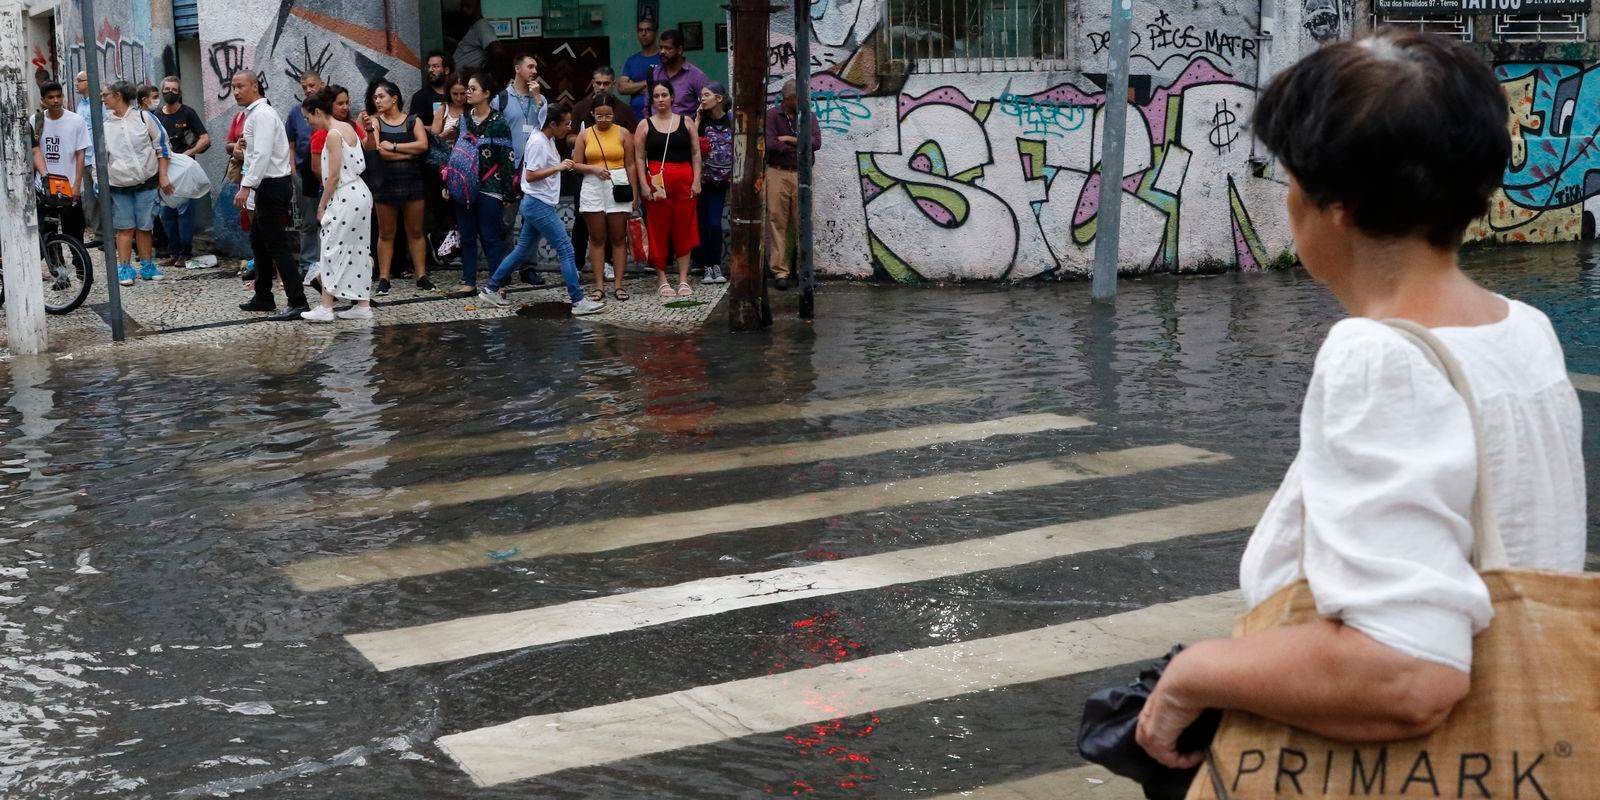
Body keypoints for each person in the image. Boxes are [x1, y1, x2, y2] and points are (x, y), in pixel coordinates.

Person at [1133, 33, 1587, 771]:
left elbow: (1407, 674)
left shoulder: (1376, 355)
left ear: (1333, 204)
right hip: (1526, 751)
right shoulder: (1522, 330)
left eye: (1287, 178)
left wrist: (1194, 674)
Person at [482, 104, 604, 317]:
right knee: (566, 250)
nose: (569, 127)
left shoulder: (547, 139)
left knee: (521, 250)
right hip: (537, 204)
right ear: (552, 124)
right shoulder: (539, 141)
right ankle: (578, 301)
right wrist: (558, 167)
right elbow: (530, 175)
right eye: (565, 123)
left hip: (538, 203)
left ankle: (491, 288)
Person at [233, 70, 310, 320]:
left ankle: (298, 301)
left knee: (277, 246)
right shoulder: (254, 114)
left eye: (240, 86)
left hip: (273, 185)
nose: (236, 91)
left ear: (255, 87)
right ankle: (263, 295)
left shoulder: (262, 115)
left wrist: (246, 186)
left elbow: (262, 155)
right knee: (258, 241)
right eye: (233, 87)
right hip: (266, 186)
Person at [299, 89, 375, 323]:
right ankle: (362, 305)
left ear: (318, 111)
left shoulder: (333, 134)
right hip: (360, 194)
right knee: (358, 249)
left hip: (345, 195)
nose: (308, 122)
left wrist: (321, 206)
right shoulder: (348, 127)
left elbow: (332, 176)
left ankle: (326, 307)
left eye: (308, 117)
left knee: (331, 249)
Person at [358, 79, 433, 294]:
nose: (377, 100)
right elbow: (378, 151)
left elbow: (423, 145)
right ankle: (384, 278)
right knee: (386, 232)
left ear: (395, 98)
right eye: (375, 97)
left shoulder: (412, 120)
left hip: (413, 180)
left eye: (381, 96)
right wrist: (407, 152)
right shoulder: (376, 122)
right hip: (386, 181)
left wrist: (395, 146)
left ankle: (421, 275)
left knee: (415, 231)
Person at [567, 66, 639, 283]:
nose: (601, 87)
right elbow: (570, 142)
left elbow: (632, 159)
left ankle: (615, 278)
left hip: (617, 180)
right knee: (588, 227)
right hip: (589, 181)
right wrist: (584, 141)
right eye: (598, 83)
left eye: (606, 83)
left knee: (617, 234)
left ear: (613, 84)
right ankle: (580, 265)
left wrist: (635, 192)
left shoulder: (624, 114)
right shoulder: (580, 108)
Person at [101, 81, 173, 287]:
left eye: (106, 95)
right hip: (118, 184)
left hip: (146, 182)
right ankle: (124, 267)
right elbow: (99, 157)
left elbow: (162, 145)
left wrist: (163, 175)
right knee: (124, 228)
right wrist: (100, 183)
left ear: (117, 95)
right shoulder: (105, 125)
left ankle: (147, 265)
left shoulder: (144, 117)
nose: (103, 98)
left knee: (145, 226)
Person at [450, 72, 515, 294]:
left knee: (490, 237)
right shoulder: (463, 120)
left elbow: (507, 159)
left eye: (473, 89)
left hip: (490, 188)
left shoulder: (499, 123)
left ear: (486, 93)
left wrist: (508, 193)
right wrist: (449, 182)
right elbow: (456, 154)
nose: (468, 93)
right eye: (468, 88)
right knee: (467, 236)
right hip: (464, 187)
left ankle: (496, 284)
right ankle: (469, 281)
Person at [634, 81, 701, 298]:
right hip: (656, 183)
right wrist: (644, 185)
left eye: (664, 95)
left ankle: (683, 279)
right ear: (652, 100)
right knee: (658, 229)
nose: (661, 99)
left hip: (684, 181)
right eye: (656, 95)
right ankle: (662, 279)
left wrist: (697, 180)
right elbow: (639, 156)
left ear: (672, 97)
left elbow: (695, 153)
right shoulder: (644, 125)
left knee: (685, 227)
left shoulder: (687, 122)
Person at [493, 53, 549, 286]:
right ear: (517, 68)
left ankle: (529, 268)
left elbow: (546, 126)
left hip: (533, 168)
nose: (534, 71)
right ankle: (505, 268)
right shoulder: (501, 99)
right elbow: (493, 132)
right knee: (505, 221)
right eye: (530, 66)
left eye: (536, 67)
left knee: (532, 220)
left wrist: (537, 99)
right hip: (509, 167)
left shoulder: (540, 99)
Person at [765, 80, 821, 291]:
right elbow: (771, 144)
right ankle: (780, 271)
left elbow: (815, 143)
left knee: (803, 222)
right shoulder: (772, 116)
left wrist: (789, 139)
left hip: (802, 174)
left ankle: (804, 270)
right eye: (794, 99)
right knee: (778, 220)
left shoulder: (808, 116)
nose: (799, 102)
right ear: (786, 99)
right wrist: (800, 146)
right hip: (778, 172)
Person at [154, 76, 211, 269]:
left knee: (184, 212)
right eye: (167, 89)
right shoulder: (155, 115)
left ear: (180, 92)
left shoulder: (188, 113)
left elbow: (204, 138)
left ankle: (185, 254)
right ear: (162, 91)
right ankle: (173, 252)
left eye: (174, 89)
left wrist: (189, 153)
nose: (170, 92)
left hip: (184, 172)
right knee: (166, 213)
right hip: (164, 171)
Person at [29, 81, 89, 243]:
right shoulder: (36, 120)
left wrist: (76, 185)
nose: (55, 100)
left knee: (74, 232)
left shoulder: (76, 120)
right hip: (44, 188)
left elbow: (80, 155)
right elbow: (34, 151)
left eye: (58, 96)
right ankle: (56, 264)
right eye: (50, 97)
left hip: (68, 187)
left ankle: (80, 266)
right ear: (43, 100)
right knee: (47, 232)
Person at [285, 70, 327, 282]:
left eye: (312, 85)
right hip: (304, 173)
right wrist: (293, 171)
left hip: (330, 173)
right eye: (304, 87)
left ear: (322, 83)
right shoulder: (295, 113)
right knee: (308, 221)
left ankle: (329, 263)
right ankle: (308, 264)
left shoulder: (329, 109)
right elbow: (291, 144)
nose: (309, 90)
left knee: (329, 220)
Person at [694, 82, 732, 284]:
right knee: (701, 225)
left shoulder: (731, 120)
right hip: (701, 181)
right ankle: (706, 267)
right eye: (701, 95)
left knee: (714, 224)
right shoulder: (702, 122)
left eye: (706, 95)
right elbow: (690, 142)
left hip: (721, 182)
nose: (702, 98)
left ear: (719, 98)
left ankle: (716, 264)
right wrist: (698, 117)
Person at [649, 30, 710, 120]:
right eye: (661, 47)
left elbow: (707, 105)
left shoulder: (695, 76)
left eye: (668, 48)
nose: (662, 52)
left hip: (685, 130)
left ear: (679, 50)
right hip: (657, 130)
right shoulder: (654, 73)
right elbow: (647, 106)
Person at [73, 71, 100, 244]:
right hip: (85, 157)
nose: (76, 83)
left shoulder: (98, 103)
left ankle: (110, 235)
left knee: (102, 197)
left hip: (97, 157)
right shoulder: (81, 104)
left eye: (79, 80)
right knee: (91, 199)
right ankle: (99, 235)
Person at [618, 18, 661, 121]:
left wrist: (634, 85)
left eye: (647, 30)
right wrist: (648, 83)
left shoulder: (663, 58)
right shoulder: (632, 60)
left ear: (655, 33)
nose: (643, 33)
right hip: (636, 116)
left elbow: (669, 85)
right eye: (640, 30)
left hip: (660, 115)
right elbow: (622, 87)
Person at [452, 0, 498, 73]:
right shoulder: (474, 26)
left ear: (477, 6)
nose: (464, 9)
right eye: (462, 7)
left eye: (468, 6)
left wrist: (482, 72)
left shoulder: (482, 25)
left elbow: (498, 52)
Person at [412, 50, 453, 128]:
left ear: (446, 70)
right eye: (429, 66)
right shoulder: (420, 96)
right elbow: (414, 127)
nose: (430, 70)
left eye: (435, 66)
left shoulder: (457, 94)